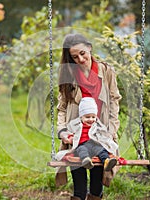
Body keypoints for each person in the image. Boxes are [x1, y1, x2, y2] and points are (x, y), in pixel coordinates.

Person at [56, 33, 122, 200]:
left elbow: (114, 101)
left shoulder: (106, 71)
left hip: (100, 134)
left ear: (89, 48)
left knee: (96, 183)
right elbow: (62, 108)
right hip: (77, 135)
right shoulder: (69, 75)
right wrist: (62, 131)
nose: (80, 59)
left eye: (82, 53)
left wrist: (112, 130)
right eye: (75, 56)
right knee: (79, 184)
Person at [55, 97, 118, 172]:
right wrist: (70, 137)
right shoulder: (76, 124)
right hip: (82, 144)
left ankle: (107, 161)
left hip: (94, 144)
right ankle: (86, 160)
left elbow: (103, 133)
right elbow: (69, 131)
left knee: (101, 150)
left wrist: (107, 139)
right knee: (82, 150)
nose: (91, 119)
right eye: (87, 117)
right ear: (81, 116)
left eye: (93, 117)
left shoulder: (97, 125)